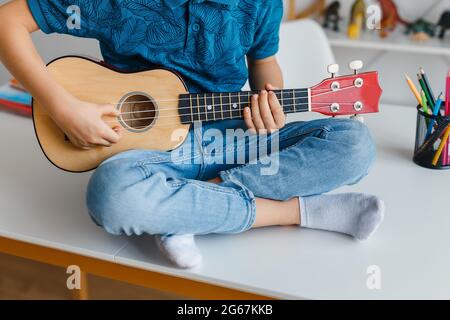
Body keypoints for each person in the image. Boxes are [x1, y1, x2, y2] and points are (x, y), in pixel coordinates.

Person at [0, 0, 384, 269]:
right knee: (110, 195)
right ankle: (297, 212)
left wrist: (271, 104)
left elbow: (264, 64)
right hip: (152, 154)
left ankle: (187, 213)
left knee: (355, 144)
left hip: (234, 139)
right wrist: (62, 107)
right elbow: (7, 20)